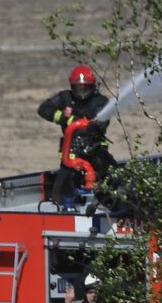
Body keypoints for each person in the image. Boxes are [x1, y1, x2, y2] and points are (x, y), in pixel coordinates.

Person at [37, 66, 114, 206]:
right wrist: (64, 119)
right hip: (70, 153)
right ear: (72, 86)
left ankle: (110, 204)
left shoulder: (100, 101)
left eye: (85, 88)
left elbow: (103, 118)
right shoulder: (65, 98)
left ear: (92, 86)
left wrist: (96, 125)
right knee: (60, 191)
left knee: (113, 175)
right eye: (78, 88)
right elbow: (44, 109)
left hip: (95, 150)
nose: (82, 92)